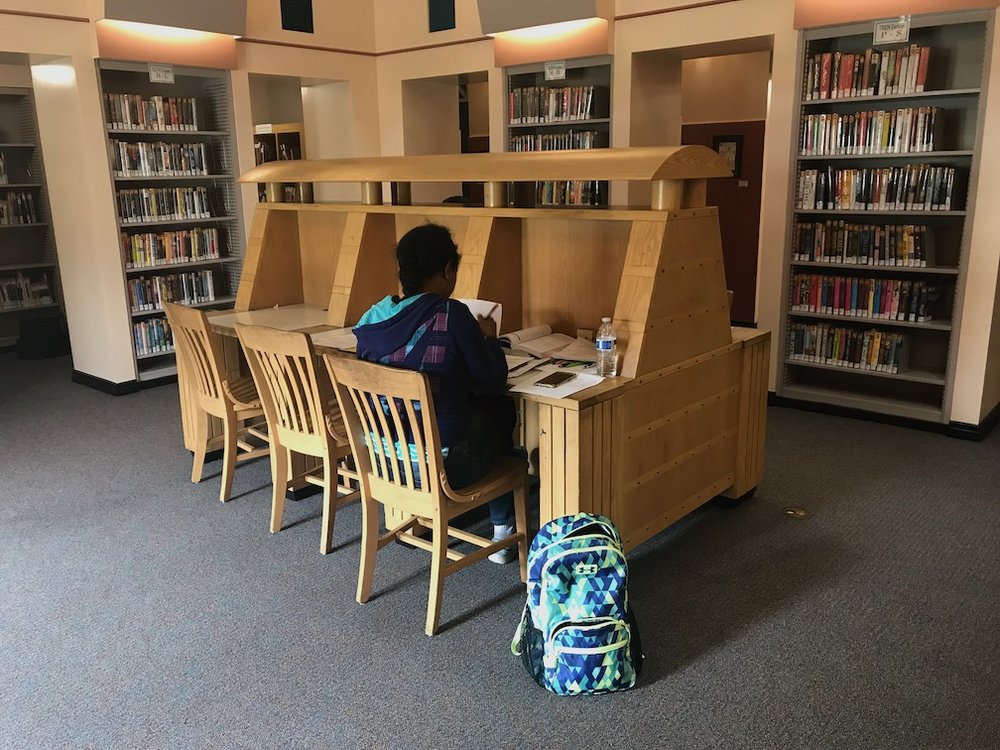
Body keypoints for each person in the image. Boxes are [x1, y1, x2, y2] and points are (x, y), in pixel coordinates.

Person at [353, 223, 518, 564]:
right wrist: (487, 338)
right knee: (500, 409)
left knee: (470, 409)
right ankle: (503, 530)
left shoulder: (371, 318)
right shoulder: (450, 315)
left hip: (384, 461)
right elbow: (492, 379)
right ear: (447, 269)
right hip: (439, 467)